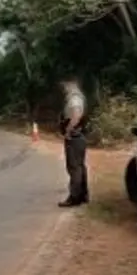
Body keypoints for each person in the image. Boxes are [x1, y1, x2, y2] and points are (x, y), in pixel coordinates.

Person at [58, 78, 89, 207]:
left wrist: (68, 130)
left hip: (74, 137)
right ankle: (83, 195)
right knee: (80, 166)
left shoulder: (74, 99)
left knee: (74, 167)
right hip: (79, 136)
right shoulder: (79, 98)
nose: (64, 89)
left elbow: (76, 115)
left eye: (65, 86)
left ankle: (74, 197)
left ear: (71, 85)